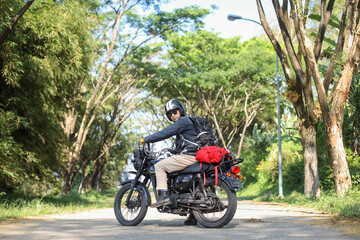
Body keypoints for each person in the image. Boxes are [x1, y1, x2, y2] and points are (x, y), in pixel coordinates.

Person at [140, 99, 198, 225]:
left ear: (180, 111)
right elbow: (185, 143)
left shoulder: (182, 121)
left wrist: (146, 139)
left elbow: (164, 133)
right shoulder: (189, 122)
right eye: (169, 114)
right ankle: (194, 215)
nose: (172, 115)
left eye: (174, 112)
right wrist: (172, 150)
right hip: (194, 155)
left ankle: (164, 197)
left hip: (188, 156)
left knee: (159, 166)